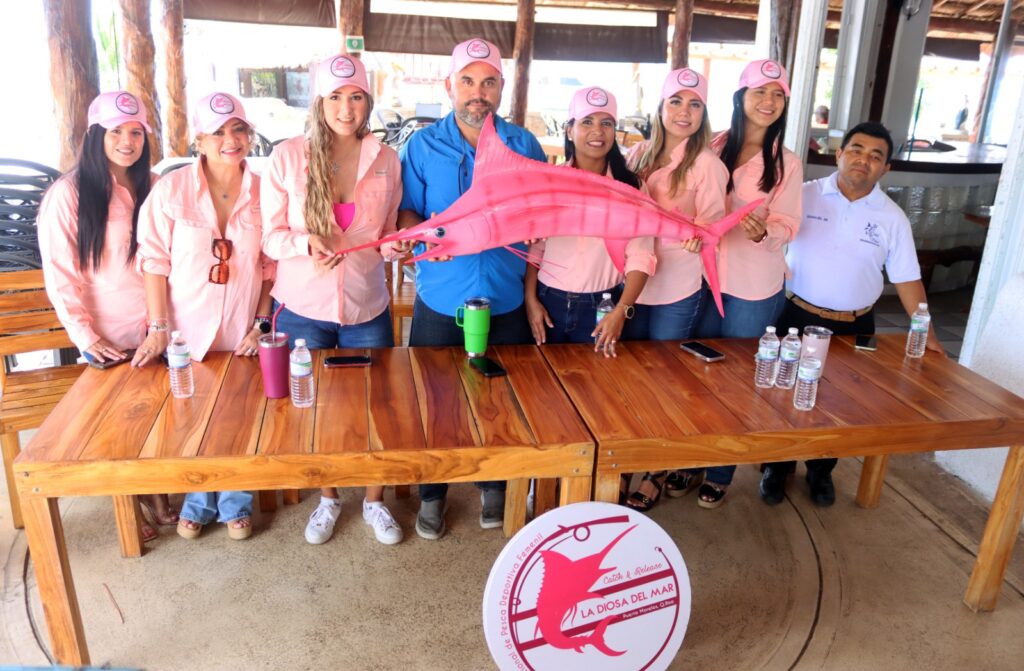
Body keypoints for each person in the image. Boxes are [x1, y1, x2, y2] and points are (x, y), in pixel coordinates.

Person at [398, 37, 547, 540]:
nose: (477, 92)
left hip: (504, 294)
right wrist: (422, 238)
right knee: (434, 399)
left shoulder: (523, 144)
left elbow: (537, 214)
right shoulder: (422, 146)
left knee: (499, 398)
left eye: (488, 82)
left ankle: (494, 486)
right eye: (467, 81)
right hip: (441, 296)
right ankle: (433, 493)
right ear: (449, 85)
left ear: (501, 88)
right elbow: (407, 211)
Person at [761, 121, 946, 507]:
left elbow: (908, 280)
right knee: (784, 395)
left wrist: (927, 335)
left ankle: (821, 470)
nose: (864, 160)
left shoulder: (892, 217)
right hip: (797, 316)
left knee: (841, 403)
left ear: (886, 169)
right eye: (857, 150)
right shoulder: (804, 196)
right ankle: (776, 467)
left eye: (876, 156)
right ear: (839, 154)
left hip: (856, 324)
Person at [261, 54, 405, 546]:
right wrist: (306, 243)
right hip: (303, 307)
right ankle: (328, 497)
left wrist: (397, 246)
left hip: (367, 305)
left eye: (357, 96)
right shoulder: (287, 157)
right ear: (319, 101)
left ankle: (374, 500)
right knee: (314, 405)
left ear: (369, 101)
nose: (347, 108)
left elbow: (386, 233)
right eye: (336, 97)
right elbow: (270, 238)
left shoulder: (386, 159)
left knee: (376, 404)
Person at [133, 92, 274, 540]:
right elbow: (153, 261)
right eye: (217, 132)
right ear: (199, 140)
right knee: (189, 415)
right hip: (186, 328)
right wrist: (159, 328)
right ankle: (197, 499)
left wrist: (261, 324)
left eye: (238, 129)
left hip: (240, 326)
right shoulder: (170, 191)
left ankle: (235, 501)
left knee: (238, 414)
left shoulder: (265, 190)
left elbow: (270, 267)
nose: (230, 139)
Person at [38, 90, 177, 541]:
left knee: (159, 413)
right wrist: (85, 335)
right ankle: (130, 502)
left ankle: (155, 490)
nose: (127, 141)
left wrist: (164, 323)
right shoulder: (68, 194)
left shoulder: (153, 183)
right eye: (116, 131)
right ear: (95, 135)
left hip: (156, 323)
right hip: (108, 332)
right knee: (120, 424)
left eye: (136, 132)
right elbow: (61, 273)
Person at [690, 58, 802, 506]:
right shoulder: (710, 145)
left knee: (735, 378)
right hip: (700, 277)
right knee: (694, 370)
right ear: (740, 97)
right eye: (759, 92)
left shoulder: (787, 163)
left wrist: (765, 232)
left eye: (778, 95)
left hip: (752, 286)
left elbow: (789, 223)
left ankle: (720, 471)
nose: (768, 101)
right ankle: (687, 460)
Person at [621, 68, 730, 511]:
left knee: (664, 381)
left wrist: (698, 234)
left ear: (704, 113)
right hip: (632, 282)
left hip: (676, 286)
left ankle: (656, 470)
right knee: (629, 378)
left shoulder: (708, 165)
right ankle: (625, 460)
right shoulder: (636, 154)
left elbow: (714, 225)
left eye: (694, 104)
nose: (684, 112)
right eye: (676, 102)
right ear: (660, 108)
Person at [524, 86, 654, 356]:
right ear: (569, 130)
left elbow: (641, 255)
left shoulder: (631, 188)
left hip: (604, 306)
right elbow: (536, 249)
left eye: (606, 123)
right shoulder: (549, 183)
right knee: (543, 378)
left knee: (598, 380)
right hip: (548, 302)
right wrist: (530, 300)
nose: (598, 131)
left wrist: (621, 310)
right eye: (587, 122)